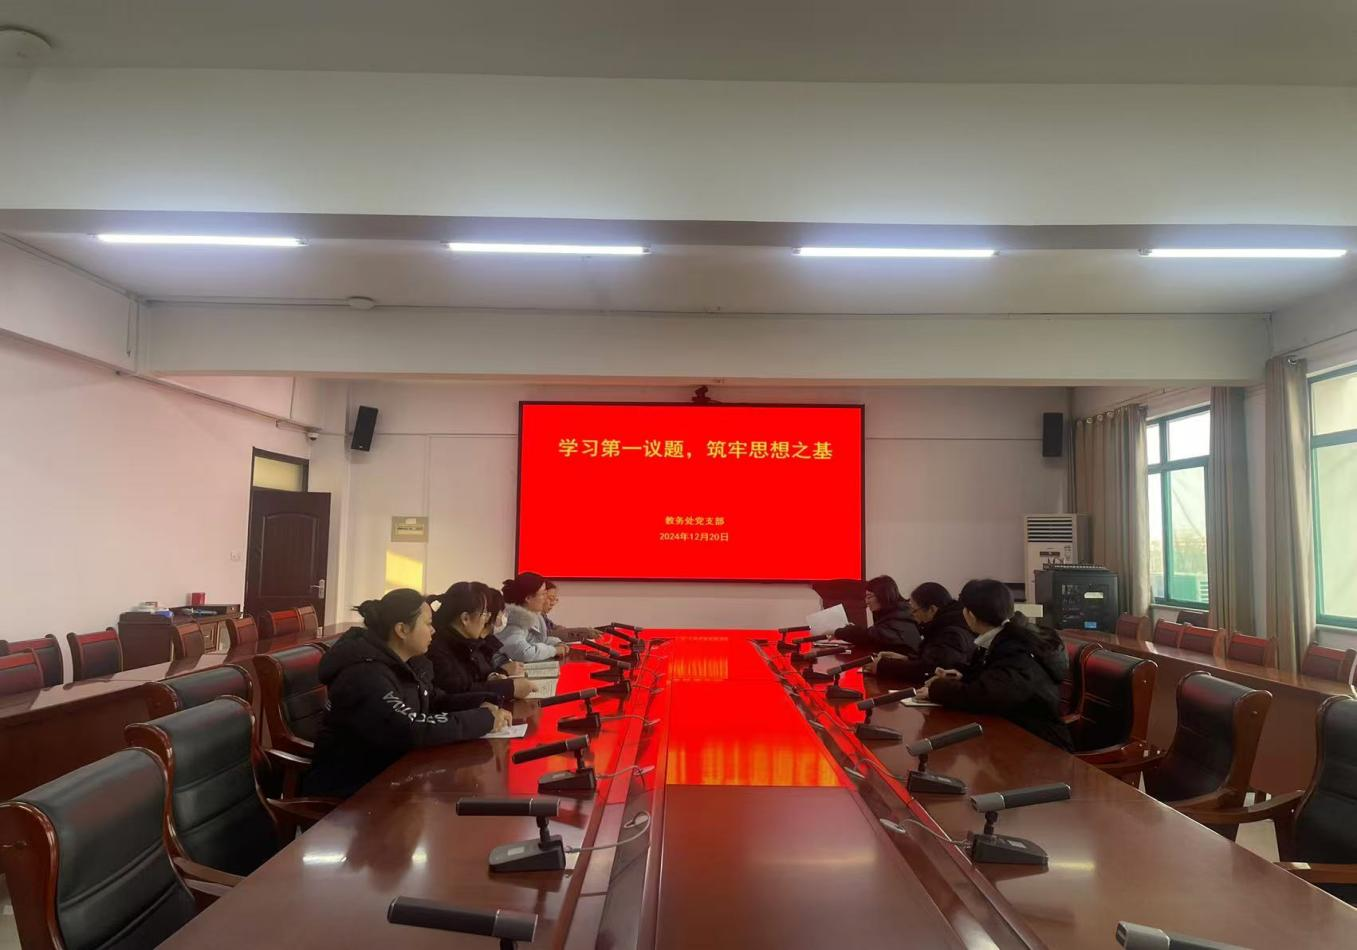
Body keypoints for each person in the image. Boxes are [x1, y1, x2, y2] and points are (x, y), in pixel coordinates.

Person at [304, 588, 512, 798]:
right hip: (354, 789)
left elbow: (435, 700)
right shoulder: (365, 675)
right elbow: (410, 729)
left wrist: (484, 702)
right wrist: (482, 719)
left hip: (395, 775)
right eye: (428, 624)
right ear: (402, 630)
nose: (434, 631)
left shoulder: (409, 663)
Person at [919, 578, 1071, 750]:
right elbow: (994, 678)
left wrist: (937, 689)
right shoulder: (1004, 638)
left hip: (1041, 745)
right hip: (1015, 733)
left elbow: (986, 696)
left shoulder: (1016, 647)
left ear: (970, 615)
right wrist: (961, 676)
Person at [427, 581, 536, 702]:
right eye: (484, 613)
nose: (487, 619)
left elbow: (478, 679)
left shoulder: (469, 644)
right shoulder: (438, 651)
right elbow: (457, 692)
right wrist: (509, 688)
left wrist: (495, 676)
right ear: (465, 618)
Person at [868, 582, 975, 685]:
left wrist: (883, 666)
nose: (911, 614)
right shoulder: (943, 625)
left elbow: (930, 669)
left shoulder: (952, 634)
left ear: (932, 609)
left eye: (915, 610)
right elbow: (932, 660)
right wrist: (906, 659)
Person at [495, 572, 571, 664]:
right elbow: (524, 653)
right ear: (528, 598)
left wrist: (557, 643)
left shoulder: (532, 617)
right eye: (543, 594)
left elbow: (536, 640)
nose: (545, 598)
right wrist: (554, 650)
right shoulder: (512, 622)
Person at [835, 575, 920, 652]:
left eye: (869, 597)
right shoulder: (899, 612)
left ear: (883, 596)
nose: (866, 602)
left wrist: (839, 632)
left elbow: (870, 636)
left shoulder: (899, 617)